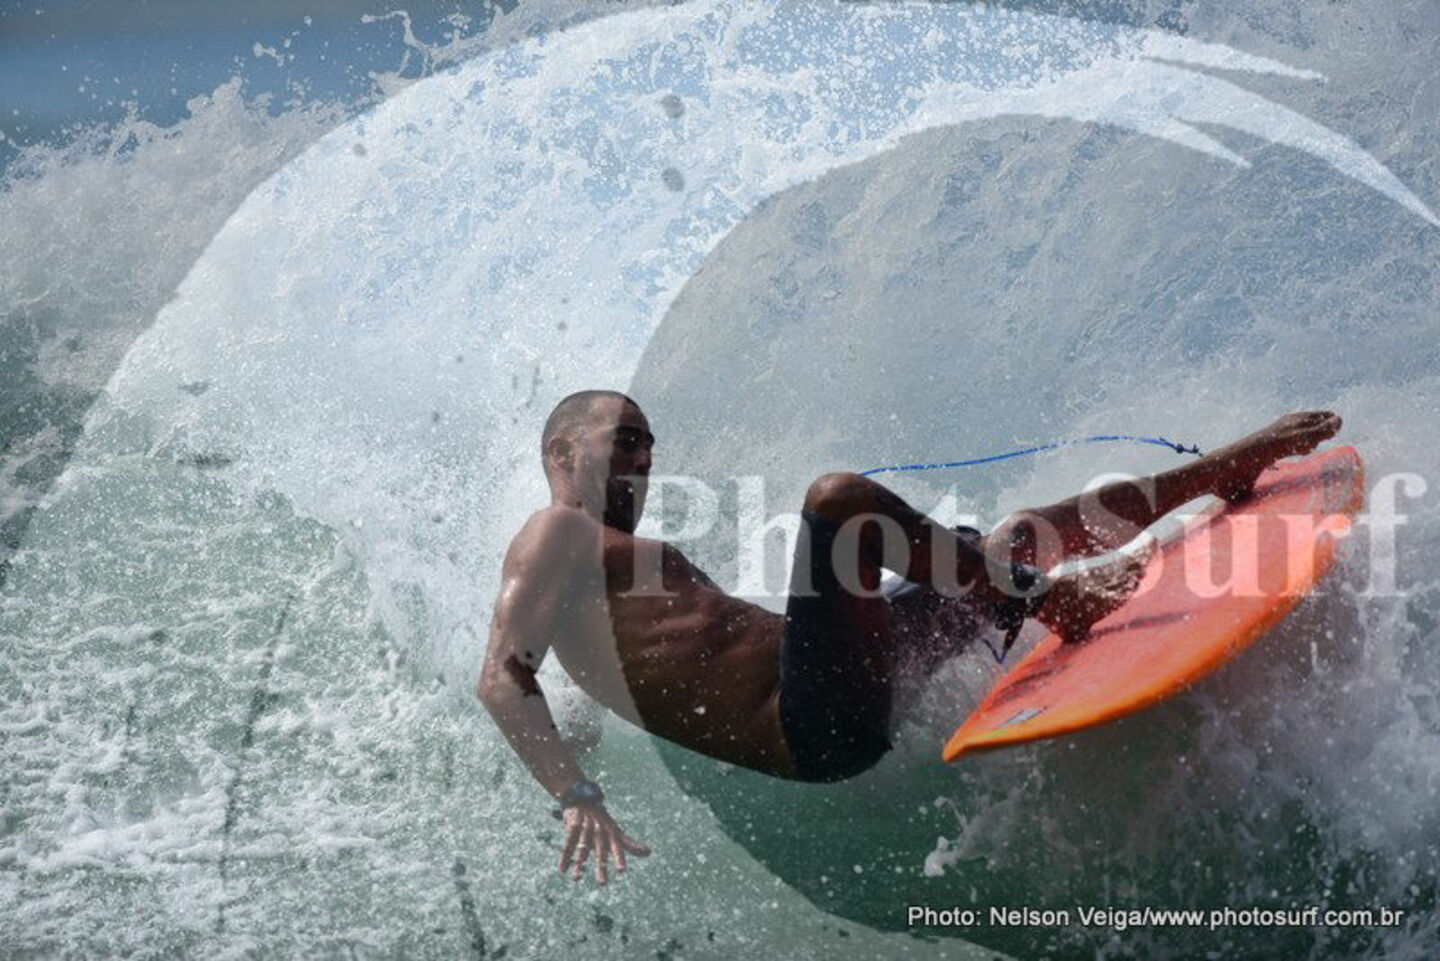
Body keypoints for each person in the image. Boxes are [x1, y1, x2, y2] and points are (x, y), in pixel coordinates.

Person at [477, 391, 1340, 885]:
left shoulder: (603, 562)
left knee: (998, 540)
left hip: (850, 680)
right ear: (562, 448)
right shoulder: (554, 533)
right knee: (839, 500)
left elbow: (566, 675)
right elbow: (503, 678)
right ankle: (1050, 601)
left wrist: (580, 738)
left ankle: (1217, 472)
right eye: (624, 442)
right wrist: (575, 790)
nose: (642, 461)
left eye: (649, 447)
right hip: (809, 719)